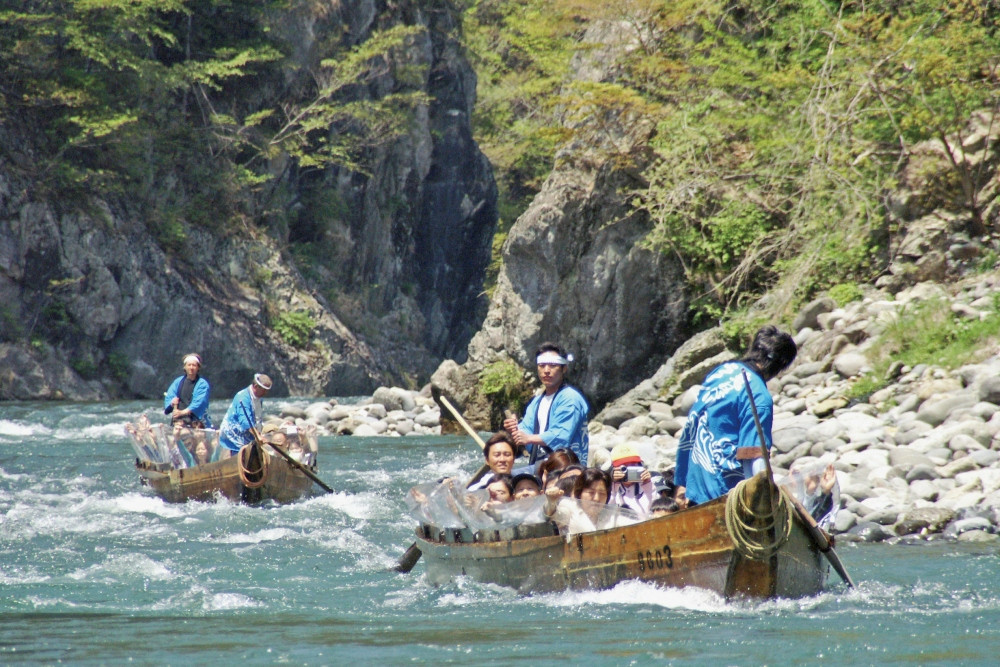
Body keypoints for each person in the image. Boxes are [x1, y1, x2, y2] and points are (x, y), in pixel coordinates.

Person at [674, 325, 797, 508]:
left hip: (695, 481)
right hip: (724, 494)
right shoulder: (758, 395)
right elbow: (753, 457)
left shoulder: (722, 371)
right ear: (779, 365)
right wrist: (764, 502)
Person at [504, 342, 590, 466]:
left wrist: (528, 439)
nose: (546, 371)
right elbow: (525, 431)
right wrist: (513, 430)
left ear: (564, 368)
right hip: (541, 467)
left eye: (553, 365)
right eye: (542, 365)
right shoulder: (536, 402)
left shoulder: (570, 398)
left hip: (567, 469)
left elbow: (561, 435)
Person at [218, 373, 273, 453]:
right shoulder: (242, 397)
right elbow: (245, 421)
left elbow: (258, 418)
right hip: (233, 436)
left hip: (249, 436)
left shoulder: (259, 399)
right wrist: (257, 436)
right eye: (264, 390)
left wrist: (261, 433)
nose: (265, 393)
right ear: (255, 386)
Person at [163, 353, 212, 428]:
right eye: (189, 365)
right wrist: (172, 403)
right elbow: (170, 396)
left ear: (198, 368)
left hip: (196, 422)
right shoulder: (178, 382)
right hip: (179, 421)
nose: (191, 368)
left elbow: (199, 403)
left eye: (194, 365)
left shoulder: (202, 384)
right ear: (185, 367)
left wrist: (182, 412)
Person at [608, 443, 655, 518]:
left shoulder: (648, 486)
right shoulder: (610, 488)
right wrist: (614, 485)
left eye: (633, 465)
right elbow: (607, 510)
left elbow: (655, 510)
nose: (629, 469)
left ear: (640, 465)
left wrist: (648, 485)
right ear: (613, 468)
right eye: (624, 467)